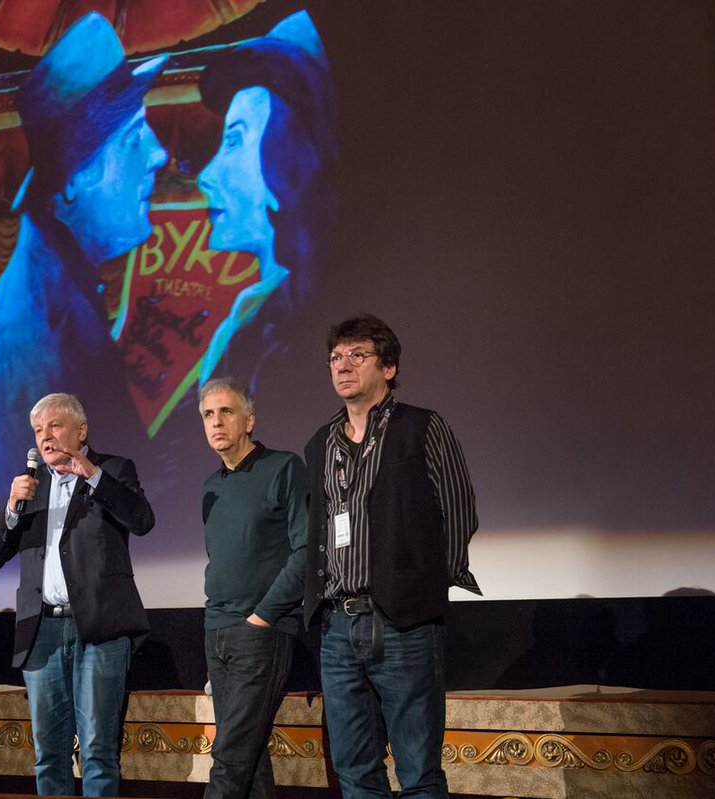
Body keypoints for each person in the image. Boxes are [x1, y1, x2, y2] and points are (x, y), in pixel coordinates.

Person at [0, 13, 169, 491]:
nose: (159, 154)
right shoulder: (35, 331)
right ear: (77, 180)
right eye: (135, 138)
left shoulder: (58, 279)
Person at [302, 315, 480, 798]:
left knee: (419, 771)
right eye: (336, 357)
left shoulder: (422, 427)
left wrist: (421, 587)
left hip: (403, 622)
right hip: (338, 627)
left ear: (388, 367)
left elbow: (459, 512)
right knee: (355, 768)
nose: (343, 366)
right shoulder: (321, 443)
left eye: (357, 355)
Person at [0, 392, 155, 796]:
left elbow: (142, 520)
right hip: (41, 629)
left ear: (80, 431)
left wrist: (93, 475)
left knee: (98, 751)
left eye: (55, 427)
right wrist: (11, 507)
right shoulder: (31, 485)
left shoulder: (113, 470)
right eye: (38, 430)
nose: (44, 437)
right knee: (49, 753)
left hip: (98, 627)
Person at [196, 10, 339, 391]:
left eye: (233, 141)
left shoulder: (312, 332)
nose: (205, 176)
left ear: (285, 157)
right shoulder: (248, 316)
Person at [198, 377, 309, 799]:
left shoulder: (283, 468)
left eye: (226, 412)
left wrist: (263, 616)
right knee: (249, 756)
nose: (216, 422)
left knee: (229, 757)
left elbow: (305, 552)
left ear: (249, 420)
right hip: (218, 631)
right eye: (208, 415)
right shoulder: (210, 487)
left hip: (261, 630)